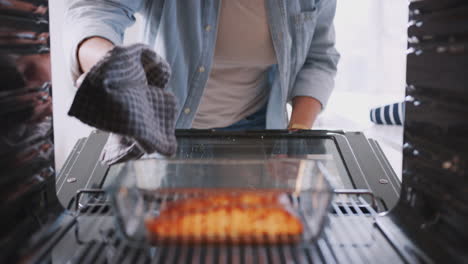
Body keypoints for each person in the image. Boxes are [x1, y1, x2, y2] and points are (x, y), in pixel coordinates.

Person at [64, 0, 339, 131]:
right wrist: (111, 65)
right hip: (165, 127)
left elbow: (319, 57)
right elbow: (98, 9)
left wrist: (298, 132)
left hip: (259, 126)